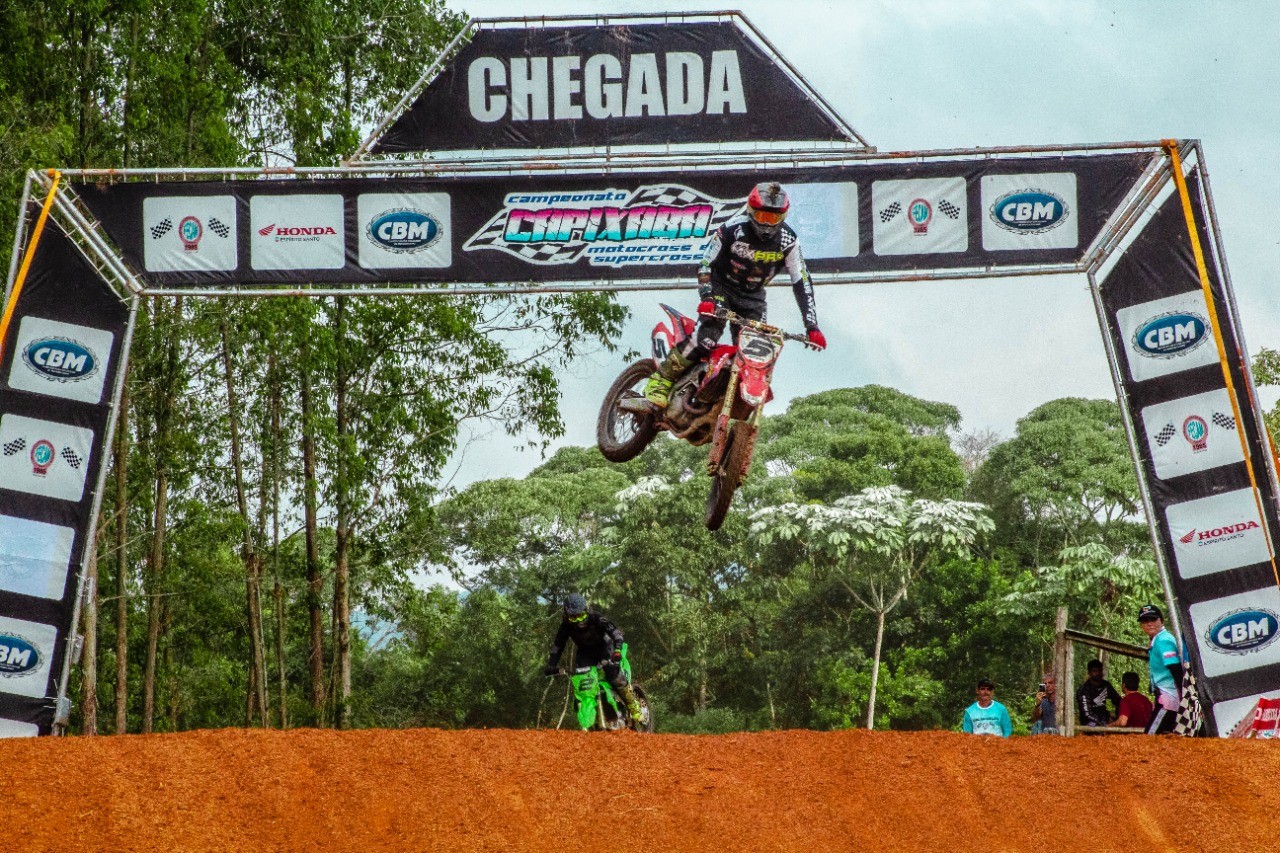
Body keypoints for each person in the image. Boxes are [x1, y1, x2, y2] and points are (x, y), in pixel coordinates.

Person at [644, 181, 826, 407]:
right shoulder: (731, 229)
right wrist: (708, 297)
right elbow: (705, 264)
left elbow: (802, 281)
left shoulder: (789, 241)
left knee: (756, 356)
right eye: (762, 216)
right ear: (751, 211)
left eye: (773, 219)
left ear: (783, 217)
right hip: (722, 288)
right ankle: (661, 379)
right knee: (707, 337)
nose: (766, 225)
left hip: (753, 298)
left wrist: (812, 327)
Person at [544, 593, 643, 723]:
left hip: (605, 648)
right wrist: (552, 664)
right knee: (582, 682)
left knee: (613, 676)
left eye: (581, 616)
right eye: (574, 618)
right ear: (567, 616)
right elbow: (558, 645)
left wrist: (617, 650)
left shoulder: (596, 618)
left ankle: (633, 706)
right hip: (585, 653)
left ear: (586, 611)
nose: (579, 621)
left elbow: (615, 633)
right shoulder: (566, 625)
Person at [1138, 603, 1183, 734]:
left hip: (1169, 698)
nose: (1149, 624)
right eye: (1145, 621)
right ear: (1141, 625)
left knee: (1150, 736)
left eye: (1153, 619)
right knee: (1165, 737)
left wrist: (1184, 696)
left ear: (1161, 621)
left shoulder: (1162, 640)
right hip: (1166, 696)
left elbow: (1174, 667)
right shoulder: (1157, 640)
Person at [1075, 659, 1121, 728]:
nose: (1098, 673)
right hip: (1090, 723)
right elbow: (1087, 714)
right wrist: (1102, 722)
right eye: (1095, 671)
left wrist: (1116, 716)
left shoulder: (1106, 685)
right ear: (1089, 673)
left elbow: (1116, 700)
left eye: (1100, 670)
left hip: (1106, 720)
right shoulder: (1083, 690)